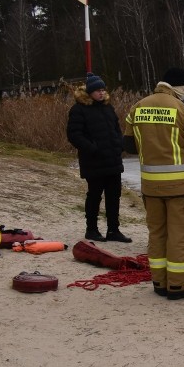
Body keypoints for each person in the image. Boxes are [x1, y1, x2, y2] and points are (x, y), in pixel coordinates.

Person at [123, 67, 184, 300]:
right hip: (180, 187)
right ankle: (178, 286)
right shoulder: (183, 109)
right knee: (181, 236)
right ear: (179, 87)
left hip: (150, 186)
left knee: (157, 234)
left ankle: (159, 282)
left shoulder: (137, 107)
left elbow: (127, 145)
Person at [66, 72, 132, 243]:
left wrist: (120, 145)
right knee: (94, 195)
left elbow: (117, 129)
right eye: (97, 90)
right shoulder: (79, 109)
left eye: (103, 90)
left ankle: (113, 230)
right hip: (93, 161)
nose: (101, 93)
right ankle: (92, 229)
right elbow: (74, 134)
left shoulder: (108, 107)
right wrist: (92, 148)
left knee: (114, 195)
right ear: (90, 92)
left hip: (113, 160)